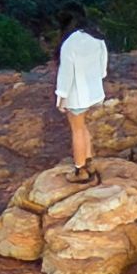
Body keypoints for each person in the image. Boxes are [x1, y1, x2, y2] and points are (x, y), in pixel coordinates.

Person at [55, 24, 110, 169]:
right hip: (93, 92)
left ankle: (80, 169)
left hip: (76, 95)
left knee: (77, 130)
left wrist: (61, 97)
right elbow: (103, 68)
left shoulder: (70, 42)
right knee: (83, 126)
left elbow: (66, 73)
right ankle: (89, 158)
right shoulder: (97, 38)